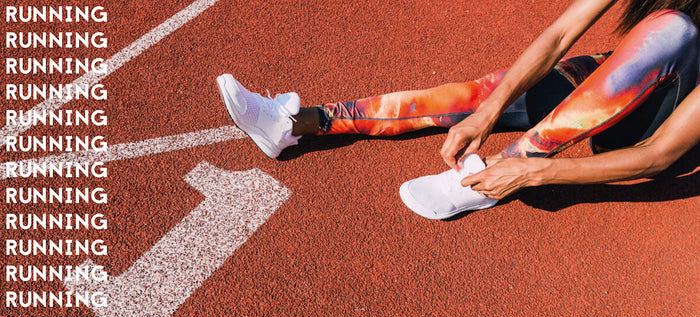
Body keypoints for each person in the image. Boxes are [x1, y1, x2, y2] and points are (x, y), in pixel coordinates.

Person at [217, 0, 700, 220]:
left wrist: (533, 175)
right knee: (475, 96)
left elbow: (658, 154)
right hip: (627, 76)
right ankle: (294, 123)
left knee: (673, 31)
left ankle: (494, 174)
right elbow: (557, 37)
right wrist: (488, 112)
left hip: (650, 131)